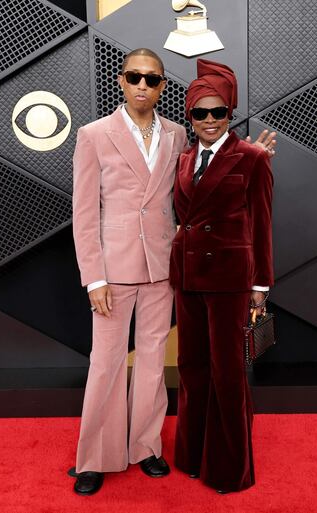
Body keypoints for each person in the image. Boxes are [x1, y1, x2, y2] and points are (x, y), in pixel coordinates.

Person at [70, 48, 185, 496]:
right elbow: (84, 211)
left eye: (151, 79)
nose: (142, 85)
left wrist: (250, 156)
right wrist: (93, 277)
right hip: (113, 270)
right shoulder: (94, 134)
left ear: (161, 86)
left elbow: (196, 184)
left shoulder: (176, 135)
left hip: (162, 267)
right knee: (106, 364)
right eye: (134, 77)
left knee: (154, 363)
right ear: (121, 80)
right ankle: (96, 456)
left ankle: (146, 446)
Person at [170, 58, 274, 494]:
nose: (210, 121)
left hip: (230, 280)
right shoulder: (184, 157)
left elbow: (263, 224)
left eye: (219, 113)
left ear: (231, 114)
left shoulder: (252, 159)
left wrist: (261, 286)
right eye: (200, 113)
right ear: (190, 116)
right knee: (192, 369)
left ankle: (230, 467)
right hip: (188, 278)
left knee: (227, 373)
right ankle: (192, 454)